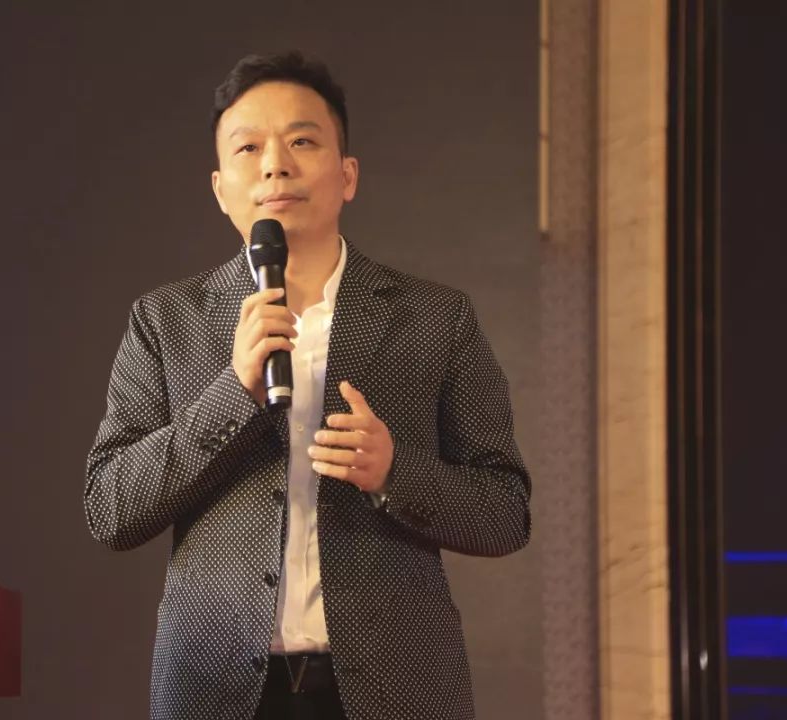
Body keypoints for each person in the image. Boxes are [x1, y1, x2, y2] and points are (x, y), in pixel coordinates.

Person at [84, 50, 532, 720]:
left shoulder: (436, 317)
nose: (275, 165)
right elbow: (110, 510)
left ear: (347, 176)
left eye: (301, 141)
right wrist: (232, 393)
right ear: (220, 189)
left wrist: (394, 472)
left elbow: (506, 513)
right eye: (249, 148)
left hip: (397, 689)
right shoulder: (165, 320)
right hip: (214, 689)